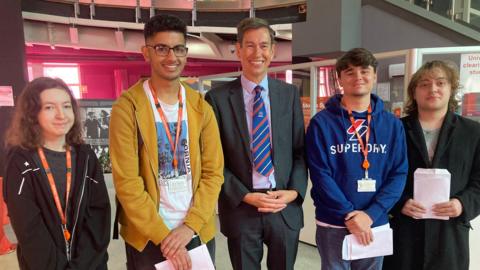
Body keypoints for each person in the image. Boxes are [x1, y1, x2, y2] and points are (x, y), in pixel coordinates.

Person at [109, 14, 224, 270]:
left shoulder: (200, 107)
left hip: (196, 231)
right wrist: (164, 236)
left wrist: (190, 227)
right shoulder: (128, 108)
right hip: (148, 235)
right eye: (162, 48)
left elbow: (213, 174)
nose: (172, 57)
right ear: (146, 53)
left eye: (179, 49)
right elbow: (127, 183)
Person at [205, 17, 308, 270]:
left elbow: (299, 151)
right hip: (242, 208)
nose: (257, 53)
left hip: (282, 205)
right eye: (249, 46)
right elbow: (213, 160)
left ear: (273, 50)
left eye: (263, 45)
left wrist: (294, 192)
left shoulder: (288, 94)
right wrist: (245, 195)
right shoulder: (216, 99)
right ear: (238, 50)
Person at [305, 48, 408, 270]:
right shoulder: (321, 123)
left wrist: (370, 215)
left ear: (374, 75)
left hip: (375, 221)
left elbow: (399, 173)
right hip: (333, 222)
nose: (358, 77)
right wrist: (350, 215)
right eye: (350, 72)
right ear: (340, 78)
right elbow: (320, 174)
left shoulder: (392, 124)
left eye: (364, 71)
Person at [3, 77, 111, 269]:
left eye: (67, 106)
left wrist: (82, 265)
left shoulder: (86, 157)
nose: (61, 115)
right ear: (32, 113)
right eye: (49, 107)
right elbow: (29, 229)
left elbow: (98, 216)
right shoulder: (20, 162)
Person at [383, 60, 480, 270]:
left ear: (451, 89)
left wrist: (462, 204)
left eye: (440, 83)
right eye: (424, 84)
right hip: (404, 228)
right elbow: (380, 175)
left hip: (449, 233)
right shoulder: (394, 129)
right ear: (414, 92)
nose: (433, 89)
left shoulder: (473, 132)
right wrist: (400, 202)